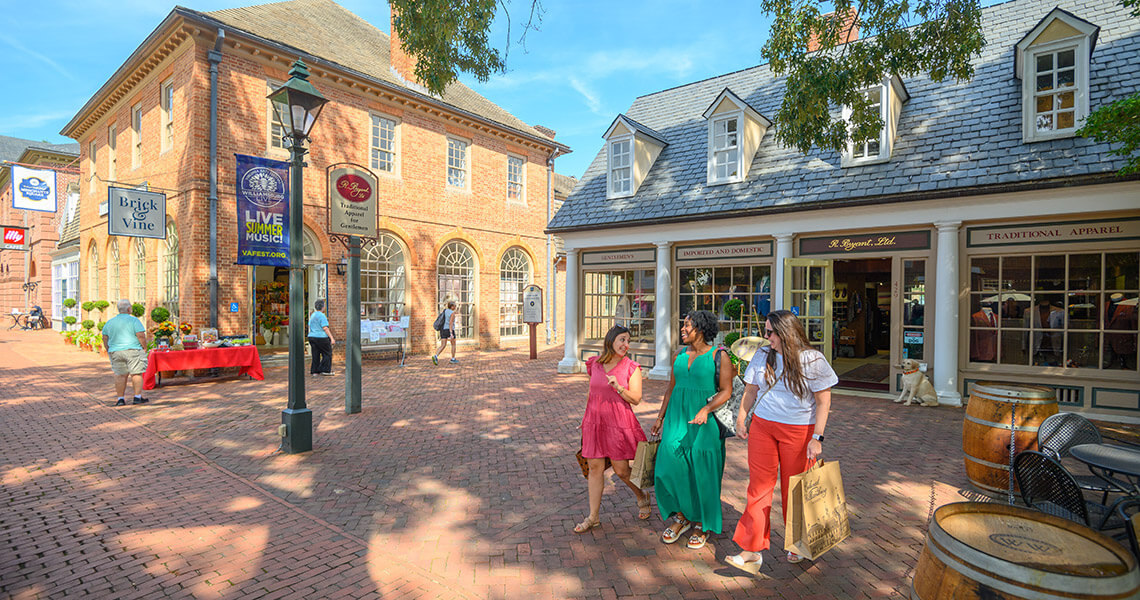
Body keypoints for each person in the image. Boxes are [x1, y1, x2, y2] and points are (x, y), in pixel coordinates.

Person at [726, 309, 837, 573]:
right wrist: (741, 419)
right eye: (765, 332)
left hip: (799, 430)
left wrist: (817, 438)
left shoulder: (813, 359)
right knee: (758, 488)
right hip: (763, 427)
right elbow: (751, 390)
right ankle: (751, 551)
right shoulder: (763, 355)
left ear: (786, 333)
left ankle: (799, 542)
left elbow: (824, 400)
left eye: (769, 333)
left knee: (795, 489)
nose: (765, 338)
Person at [650, 310, 733, 550]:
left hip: (704, 422)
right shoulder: (679, 354)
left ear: (702, 329)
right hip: (677, 418)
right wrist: (660, 417)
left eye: (688, 326)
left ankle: (702, 523)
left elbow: (726, 391)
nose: (683, 329)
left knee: (703, 472)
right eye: (683, 325)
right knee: (669, 467)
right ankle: (682, 515)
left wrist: (706, 410)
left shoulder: (719, 356)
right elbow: (670, 388)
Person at [573, 325, 650, 533]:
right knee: (595, 469)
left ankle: (641, 495)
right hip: (594, 424)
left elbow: (636, 398)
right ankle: (593, 517)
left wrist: (618, 387)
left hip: (618, 423)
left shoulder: (631, 367)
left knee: (622, 471)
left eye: (628, 341)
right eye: (622, 340)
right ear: (611, 341)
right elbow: (594, 393)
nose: (626, 345)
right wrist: (587, 417)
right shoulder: (595, 364)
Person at [102, 299, 149, 406]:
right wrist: (144, 347)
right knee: (136, 373)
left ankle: (120, 399)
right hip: (133, 350)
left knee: (120, 375)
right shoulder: (134, 320)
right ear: (129, 309)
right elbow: (140, 335)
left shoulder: (110, 322)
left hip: (116, 351)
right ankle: (137, 397)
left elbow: (104, 337)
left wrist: (108, 348)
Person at [307, 299, 336, 376]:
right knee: (327, 353)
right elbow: (325, 328)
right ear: (323, 307)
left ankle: (315, 370)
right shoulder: (322, 316)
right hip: (321, 337)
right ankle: (325, 370)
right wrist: (332, 338)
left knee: (315, 354)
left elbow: (309, 325)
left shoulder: (312, 315)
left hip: (312, 337)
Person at [432, 300, 459, 365]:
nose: (455, 307)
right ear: (452, 306)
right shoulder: (452, 313)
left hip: (443, 330)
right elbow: (450, 323)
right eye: (455, 305)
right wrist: (451, 333)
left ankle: (435, 356)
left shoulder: (445, 311)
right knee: (453, 344)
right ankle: (453, 359)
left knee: (443, 345)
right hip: (449, 330)